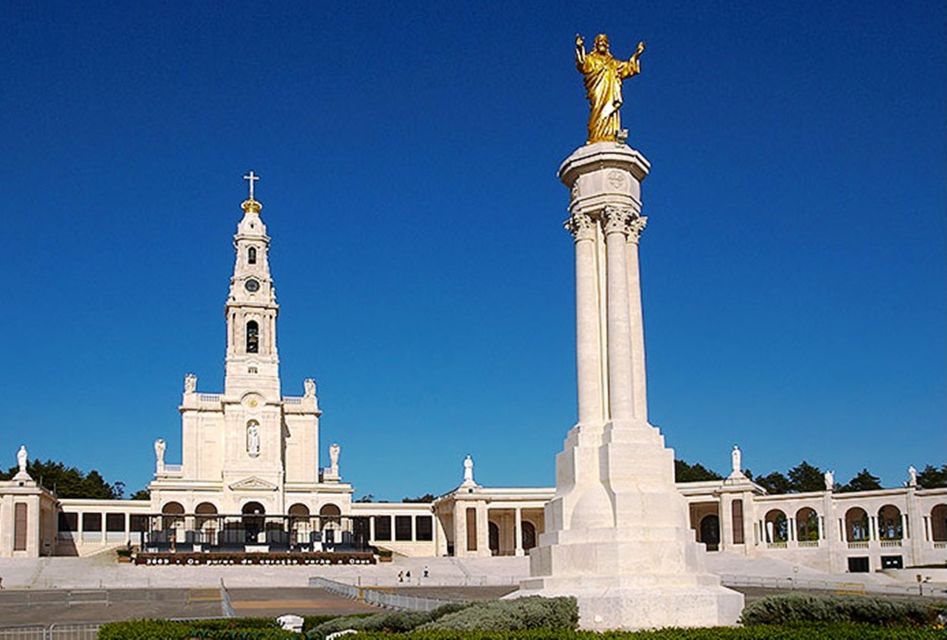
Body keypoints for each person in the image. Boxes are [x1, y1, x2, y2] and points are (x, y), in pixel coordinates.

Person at [575, 33, 646, 143]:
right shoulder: (591, 59)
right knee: (597, 110)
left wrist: (636, 55)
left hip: (611, 93)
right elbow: (582, 64)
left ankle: (610, 134)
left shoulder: (612, 63)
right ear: (596, 45)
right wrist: (580, 48)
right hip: (597, 90)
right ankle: (595, 136)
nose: (602, 43)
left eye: (605, 42)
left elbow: (628, 67)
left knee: (610, 112)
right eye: (600, 42)